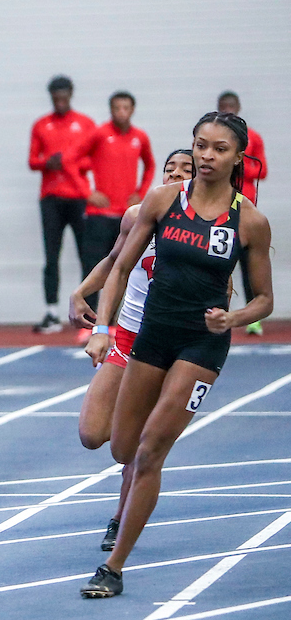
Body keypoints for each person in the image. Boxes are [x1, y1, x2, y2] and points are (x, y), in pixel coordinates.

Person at [80, 112, 273, 598]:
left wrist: (232, 318)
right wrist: (103, 328)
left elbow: (264, 299)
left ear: (237, 157)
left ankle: (114, 566)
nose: (208, 156)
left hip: (202, 345)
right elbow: (120, 267)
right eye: (201, 146)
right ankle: (128, 503)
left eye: (220, 149)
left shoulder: (248, 220)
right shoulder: (163, 201)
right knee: (122, 448)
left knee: (148, 452)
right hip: (152, 336)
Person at [68, 149, 196, 552]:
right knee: (92, 434)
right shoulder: (139, 215)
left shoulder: (210, 228)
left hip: (168, 346)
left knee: (139, 444)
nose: (176, 174)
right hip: (127, 336)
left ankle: (120, 520)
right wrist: (81, 292)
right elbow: (114, 261)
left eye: (186, 170)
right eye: (170, 168)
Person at [66, 91, 156, 314]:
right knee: (94, 266)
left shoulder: (140, 137)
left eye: (126, 108)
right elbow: (69, 160)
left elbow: (151, 165)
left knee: (126, 268)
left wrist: (141, 192)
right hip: (99, 215)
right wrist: (87, 192)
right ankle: (89, 318)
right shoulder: (99, 133)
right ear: (111, 110)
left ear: (133, 110)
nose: (122, 113)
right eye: (117, 108)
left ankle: (119, 320)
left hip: (127, 217)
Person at [29, 75, 96, 333]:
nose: (60, 102)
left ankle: (88, 312)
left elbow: (93, 160)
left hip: (78, 196)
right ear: (51, 97)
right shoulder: (41, 125)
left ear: (70, 94)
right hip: (51, 198)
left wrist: (71, 164)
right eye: (55, 98)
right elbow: (33, 161)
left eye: (63, 97)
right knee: (51, 256)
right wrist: (49, 163)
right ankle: (51, 312)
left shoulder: (85, 124)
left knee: (86, 255)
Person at [217, 91, 269, 335]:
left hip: (244, 208)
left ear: (238, 108)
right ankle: (214, 315)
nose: (227, 111)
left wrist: (237, 166)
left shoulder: (253, 137)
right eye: (223, 107)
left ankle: (253, 318)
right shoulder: (214, 137)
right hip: (220, 209)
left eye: (231, 107)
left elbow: (262, 170)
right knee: (218, 263)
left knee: (250, 267)